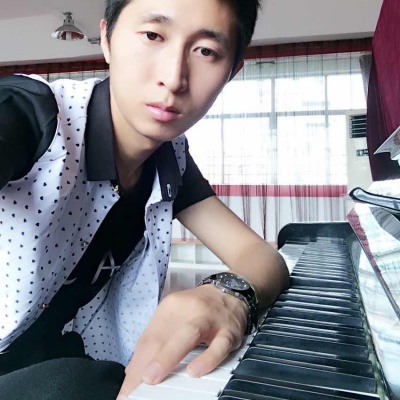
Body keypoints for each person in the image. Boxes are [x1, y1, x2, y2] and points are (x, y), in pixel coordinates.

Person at [0, 0, 290, 398]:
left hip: (45, 355)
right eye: (153, 35)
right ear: (107, 39)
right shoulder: (29, 113)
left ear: (231, 72)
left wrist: (229, 297)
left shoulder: (170, 159)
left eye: (206, 51)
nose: (173, 79)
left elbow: (259, 256)